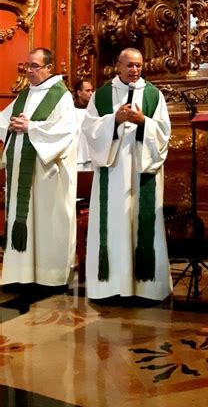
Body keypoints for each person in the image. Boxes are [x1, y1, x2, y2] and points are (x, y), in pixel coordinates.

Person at [82, 48, 172, 302]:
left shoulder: (154, 95)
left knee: (142, 223)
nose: (135, 70)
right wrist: (115, 120)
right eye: (130, 65)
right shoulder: (101, 96)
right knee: (113, 225)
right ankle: (110, 286)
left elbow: (164, 132)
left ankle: (146, 287)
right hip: (112, 171)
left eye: (139, 66)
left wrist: (144, 120)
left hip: (143, 170)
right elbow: (89, 129)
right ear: (117, 66)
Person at [0, 47, 77, 288]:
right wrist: (11, 126)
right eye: (27, 66)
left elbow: (65, 131)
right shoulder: (25, 95)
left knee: (46, 221)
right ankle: (20, 274)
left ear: (48, 68)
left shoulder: (61, 95)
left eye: (34, 66)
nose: (29, 71)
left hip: (46, 174)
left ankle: (49, 276)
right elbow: (4, 120)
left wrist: (31, 127)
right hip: (22, 171)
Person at [74, 78, 93, 171]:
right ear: (79, 93)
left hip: (91, 155)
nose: (91, 93)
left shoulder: (94, 110)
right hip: (76, 156)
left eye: (92, 90)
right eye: (88, 90)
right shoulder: (71, 110)